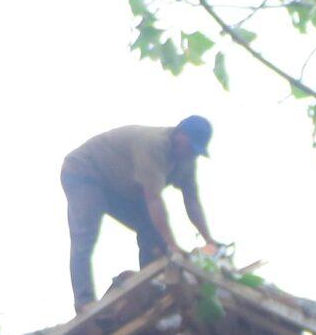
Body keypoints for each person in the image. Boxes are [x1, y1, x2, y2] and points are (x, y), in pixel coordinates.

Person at [61, 116, 218, 308]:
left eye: (195, 150)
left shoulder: (187, 159)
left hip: (120, 185)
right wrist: (172, 245)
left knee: (151, 230)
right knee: (85, 238)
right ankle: (85, 304)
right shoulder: (153, 144)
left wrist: (209, 240)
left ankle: (151, 287)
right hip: (85, 171)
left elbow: (192, 201)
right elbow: (153, 199)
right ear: (179, 134)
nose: (191, 153)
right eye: (190, 147)